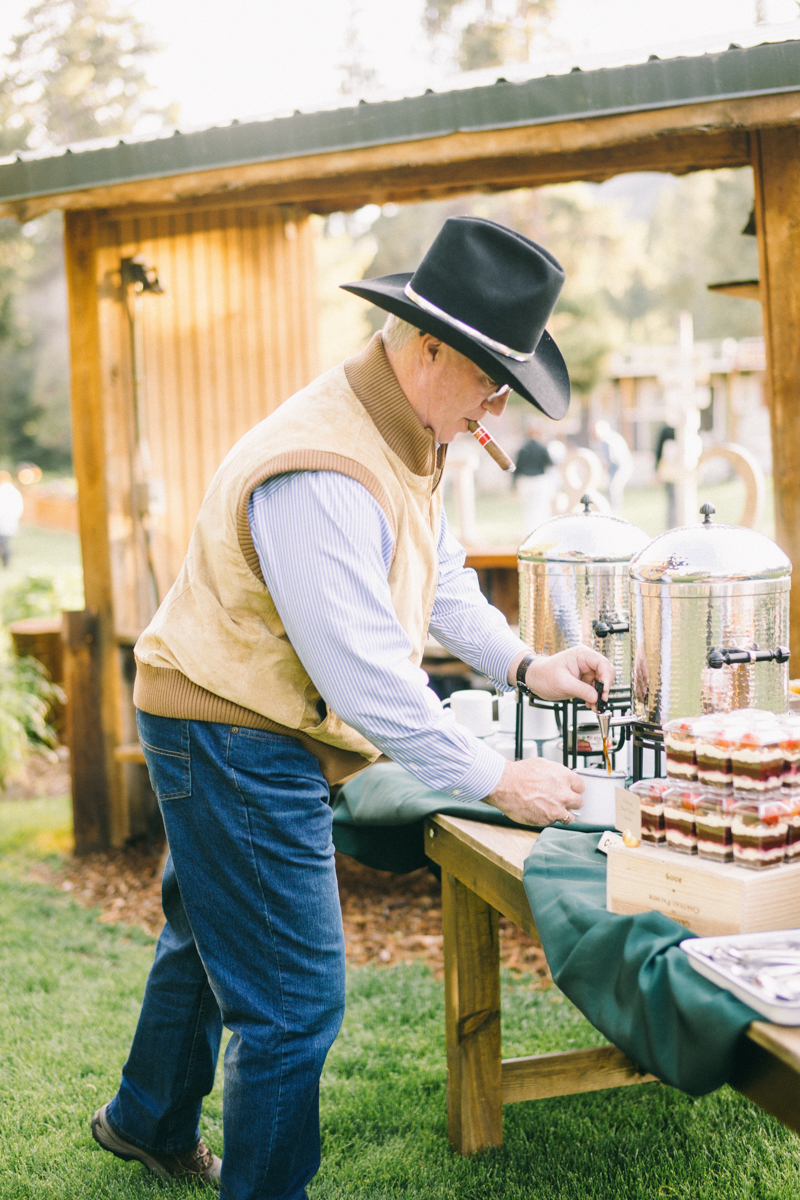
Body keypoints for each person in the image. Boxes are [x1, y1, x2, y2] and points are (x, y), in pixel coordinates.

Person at [91, 216, 615, 1200]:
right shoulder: (321, 470)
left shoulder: (409, 428)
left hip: (230, 707)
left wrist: (525, 665)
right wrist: (497, 778)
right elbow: (370, 683)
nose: (497, 411)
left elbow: (439, 572)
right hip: (231, 727)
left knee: (208, 929)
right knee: (291, 1002)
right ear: (427, 351)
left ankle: (145, 1122)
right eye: (490, 383)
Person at [514, 419, 553, 534]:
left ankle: (529, 531)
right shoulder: (541, 447)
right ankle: (540, 531)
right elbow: (549, 463)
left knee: (528, 509)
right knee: (541, 508)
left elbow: (517, 468)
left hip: (525, 481)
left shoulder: (523, 449)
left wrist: (513, 485)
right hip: (539, 481)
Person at [593, 419, 633, 513]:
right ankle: (614, 509)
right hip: (624, 466)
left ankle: (615, 511)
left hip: (620, 467)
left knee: (613, 489)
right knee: (613, 489)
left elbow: (611, 460)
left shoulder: (606, 441)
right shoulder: (614, 436)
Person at [0, 470, 24, 567]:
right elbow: (19, 508)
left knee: (3, 544)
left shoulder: (2, 491)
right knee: (6, 543)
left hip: (3, 523)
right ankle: (6, 563)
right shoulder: (15, 492)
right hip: (10, 523)